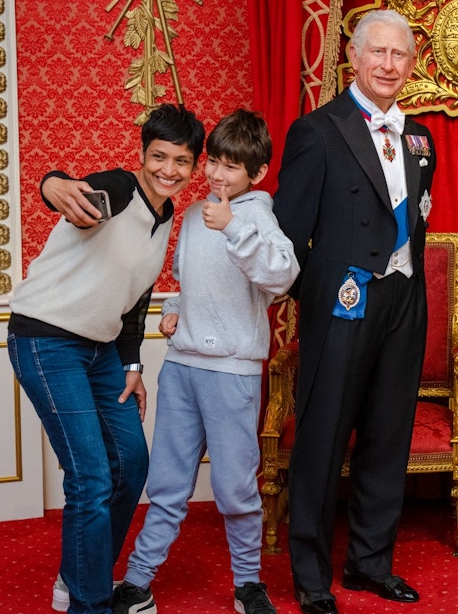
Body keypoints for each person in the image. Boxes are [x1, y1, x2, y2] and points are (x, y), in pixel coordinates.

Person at [7, 104, 205, 614]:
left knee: (131, 464)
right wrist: (53, 183)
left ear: (193, 166)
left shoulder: (164, 217)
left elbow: (135, 305)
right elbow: (71, 194)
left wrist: (133, 368)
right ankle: (90, 605)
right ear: (142, 155)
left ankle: (78, 579)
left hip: (101, 354)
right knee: (91, 476)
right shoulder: (117, 190)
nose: (168, 170)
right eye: (158, 156)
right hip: (47, 340)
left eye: (180, 161)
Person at [272, 9, 435, 614]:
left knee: (388, 438)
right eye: (379, 54)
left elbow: (415, 220)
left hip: (403, 302)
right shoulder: (317, 130)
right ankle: (311, 577)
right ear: (354, 57)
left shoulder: (421, 137)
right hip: (342, 304)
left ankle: (370, 564)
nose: (389, 66)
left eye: (400, 56)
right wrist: (323, 297)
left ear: (411, 64)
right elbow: (289, 237)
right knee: (322, 439)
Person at [110, 109, 298, 614]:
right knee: (167, 482)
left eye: (231, 166)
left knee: (235, 486)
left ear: (255, 174)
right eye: (213, 161)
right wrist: (173, 311)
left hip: (231, 373)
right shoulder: (192, 215)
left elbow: (281, 278)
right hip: (182, 368)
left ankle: (247, 585)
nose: (216, 174)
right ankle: (138, 581)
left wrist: (234, 227)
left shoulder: (259, 217)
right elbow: (188, 284)